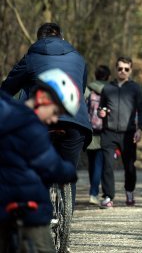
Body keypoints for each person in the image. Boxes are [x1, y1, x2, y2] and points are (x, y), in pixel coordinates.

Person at [1, 22, 92, 208]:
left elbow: (8, 88)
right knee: (68, 173)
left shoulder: (31, 57)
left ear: (39, 39)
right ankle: (66, 223)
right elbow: (79, 91)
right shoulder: (79, 58)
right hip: (76, 122)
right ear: (62, 38)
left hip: (42, 120)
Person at [0, 69, 81, 253]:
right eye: (55, 112)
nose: (54, 119)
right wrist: (69, 170)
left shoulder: (7, 113)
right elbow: (52, 167)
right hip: (26, 211)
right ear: (42, 98)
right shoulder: (31, 127)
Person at [98, 56, 142, 208]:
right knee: (107, 165)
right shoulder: (107, 88)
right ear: (116, 69)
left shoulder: (136, 88)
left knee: (129, 166)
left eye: (126, 69)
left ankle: (130, 192)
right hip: (109, 132)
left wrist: (140, 129)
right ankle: (108, 197)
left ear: (130, 70)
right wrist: (102, 113)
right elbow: (102, 107)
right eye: (120, 68)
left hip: (129, 133)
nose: (123, 71)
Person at [85, 64, 111, 205]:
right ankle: (94, 193)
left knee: (92, 164)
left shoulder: (88, 89)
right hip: (104, 131)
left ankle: (93, 191)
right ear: (108, 76)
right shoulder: (111, 89)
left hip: (89, 131)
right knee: (99, 164)